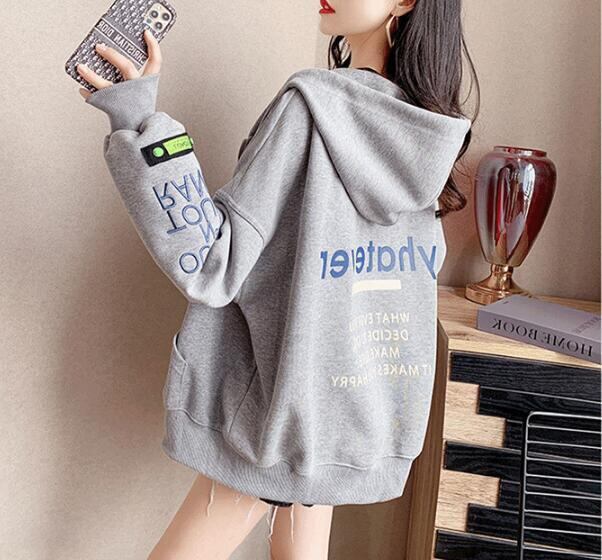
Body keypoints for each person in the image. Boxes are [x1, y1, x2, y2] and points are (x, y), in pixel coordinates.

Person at [76, 0, 478, 558]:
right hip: (347, 412)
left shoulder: (310, 108)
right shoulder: (428, 133)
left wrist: (137, 119)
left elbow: (213, 261)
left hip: (279, 410)